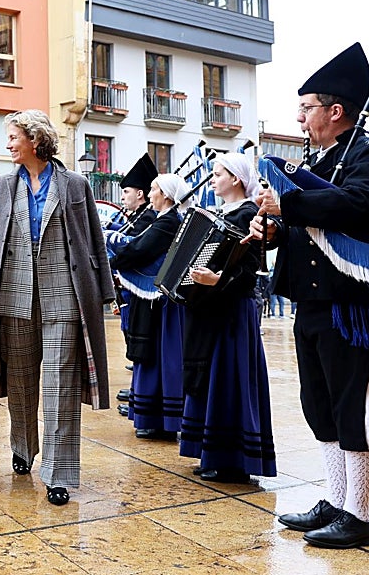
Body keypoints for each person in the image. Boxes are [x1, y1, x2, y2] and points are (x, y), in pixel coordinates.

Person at [253, 43, 369, 549]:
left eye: (307, 106)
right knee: (320, 405)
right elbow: (309, 226)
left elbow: (360, 205)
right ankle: (336, 502)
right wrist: (272, 231)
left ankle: (360, 515)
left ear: (336, 111)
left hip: (353, 306)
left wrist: (289, 203)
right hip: (312, 305)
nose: (300, 116)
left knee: (356, 408)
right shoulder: (318, 161)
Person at [0, 110, 113, 506]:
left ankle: (59, 472)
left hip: (65, 295)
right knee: (22, 384)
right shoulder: (3, 187)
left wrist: (106, 293)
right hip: (13, 294)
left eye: (13, 137)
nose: (7, 145)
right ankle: (23, 449)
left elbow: (94, 239)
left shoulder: (75, 185)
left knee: (60, 385)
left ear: (35, 140)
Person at [178, 153, 276, 486]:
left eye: (218, 173)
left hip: (234, 310)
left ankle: (233, 461)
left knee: (230, 380)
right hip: (215, 311)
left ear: (235, 178)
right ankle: (213, 453)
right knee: (214, 378)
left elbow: (250, 274)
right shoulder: (222, 214)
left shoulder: (249, 214)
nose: (214, 178)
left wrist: (216, 281)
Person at [107, 173, 192, 441]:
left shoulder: (168, 222)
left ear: (166, 196)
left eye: (154, 189)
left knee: (159, 356)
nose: (150, 194)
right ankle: (151, 417)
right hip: (152, 302)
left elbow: (137, 251)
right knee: (149, 354)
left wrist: (110, 245)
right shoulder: (161, 220)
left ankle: (162, 420)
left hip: (161, 302)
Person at [111, 153, 159, 410]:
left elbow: (133, 251)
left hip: (143, 291)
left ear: (140, 194)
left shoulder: (149, 218)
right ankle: (138, 388)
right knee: (132, 337)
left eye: (126, 191)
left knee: (140, 341)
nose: (122, 197)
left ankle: (140, 391)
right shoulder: (139, 217)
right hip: (129, 290)